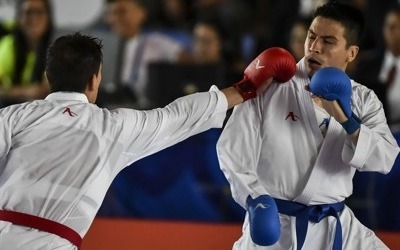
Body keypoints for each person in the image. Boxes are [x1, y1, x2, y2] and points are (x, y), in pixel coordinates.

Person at [0, 31, 296, 249]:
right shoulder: (112, 127)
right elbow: (178, 115)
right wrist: (244, 89)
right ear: (94, 80)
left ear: (48, 75)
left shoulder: (13, 117)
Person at [216, 1, 400, 250]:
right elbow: (232, 149)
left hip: (335, 227)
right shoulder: (272, 85)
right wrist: (254, 199)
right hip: (275, 224)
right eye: (311, 37)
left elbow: (385, 159)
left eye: (328, 41)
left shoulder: (363, 100)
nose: (314, 47)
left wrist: (347, 121)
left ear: (351, 53)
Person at [100, 0, 191, 109]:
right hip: (108, 107)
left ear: (141, 13)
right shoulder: (100, 47)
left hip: (148, 110)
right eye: (110, 13)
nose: (114, 18)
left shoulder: (158, 42)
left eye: (121, 12)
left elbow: (192, 65)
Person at [352, 5, 400, 134]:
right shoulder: (366, 65)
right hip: (371, 134)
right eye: (391, 27)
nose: (396, 33)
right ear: (383, 29)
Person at [0, 0, 54, 108]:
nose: (33, 18)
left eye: (39, 12)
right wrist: (33, 91)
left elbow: (48, 89)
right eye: (28, 12)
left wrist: (11, 91)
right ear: (19, 17)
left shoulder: (56, 50)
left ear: (48, 17)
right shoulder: (7, 45)